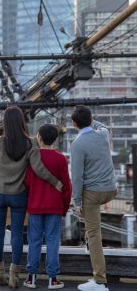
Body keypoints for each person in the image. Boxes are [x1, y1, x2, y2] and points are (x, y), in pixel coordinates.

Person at [0, 106, 62, 288]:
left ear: (5, 123)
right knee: (17, 234)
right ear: (21, 122)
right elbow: (39, 169)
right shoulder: (31, 143)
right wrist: (55, 182)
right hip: (18, 196)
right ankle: (14, 276)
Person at [70, 106, 117, 291]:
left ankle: (100, 281)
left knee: (94, 233)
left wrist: (77, 202)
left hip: (93, 193)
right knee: (92, 230)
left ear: (74, 124)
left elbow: (77, 177)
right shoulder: (103, 134)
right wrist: (92, 120)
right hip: (110, 190)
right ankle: (90, 246)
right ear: (91, 120)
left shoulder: (77, 144)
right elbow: (102, 125)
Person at [23, 124, 72, 290]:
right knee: (52, 241)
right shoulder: (61, 159)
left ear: (39, 138)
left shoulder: (33, 157)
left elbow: (28, 182)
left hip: (35, 205)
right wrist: (64, 208)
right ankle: (53, 279)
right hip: (54, 207)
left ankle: (31, 278)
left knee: (34, 241)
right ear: (55, 139)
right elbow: (67, 186)